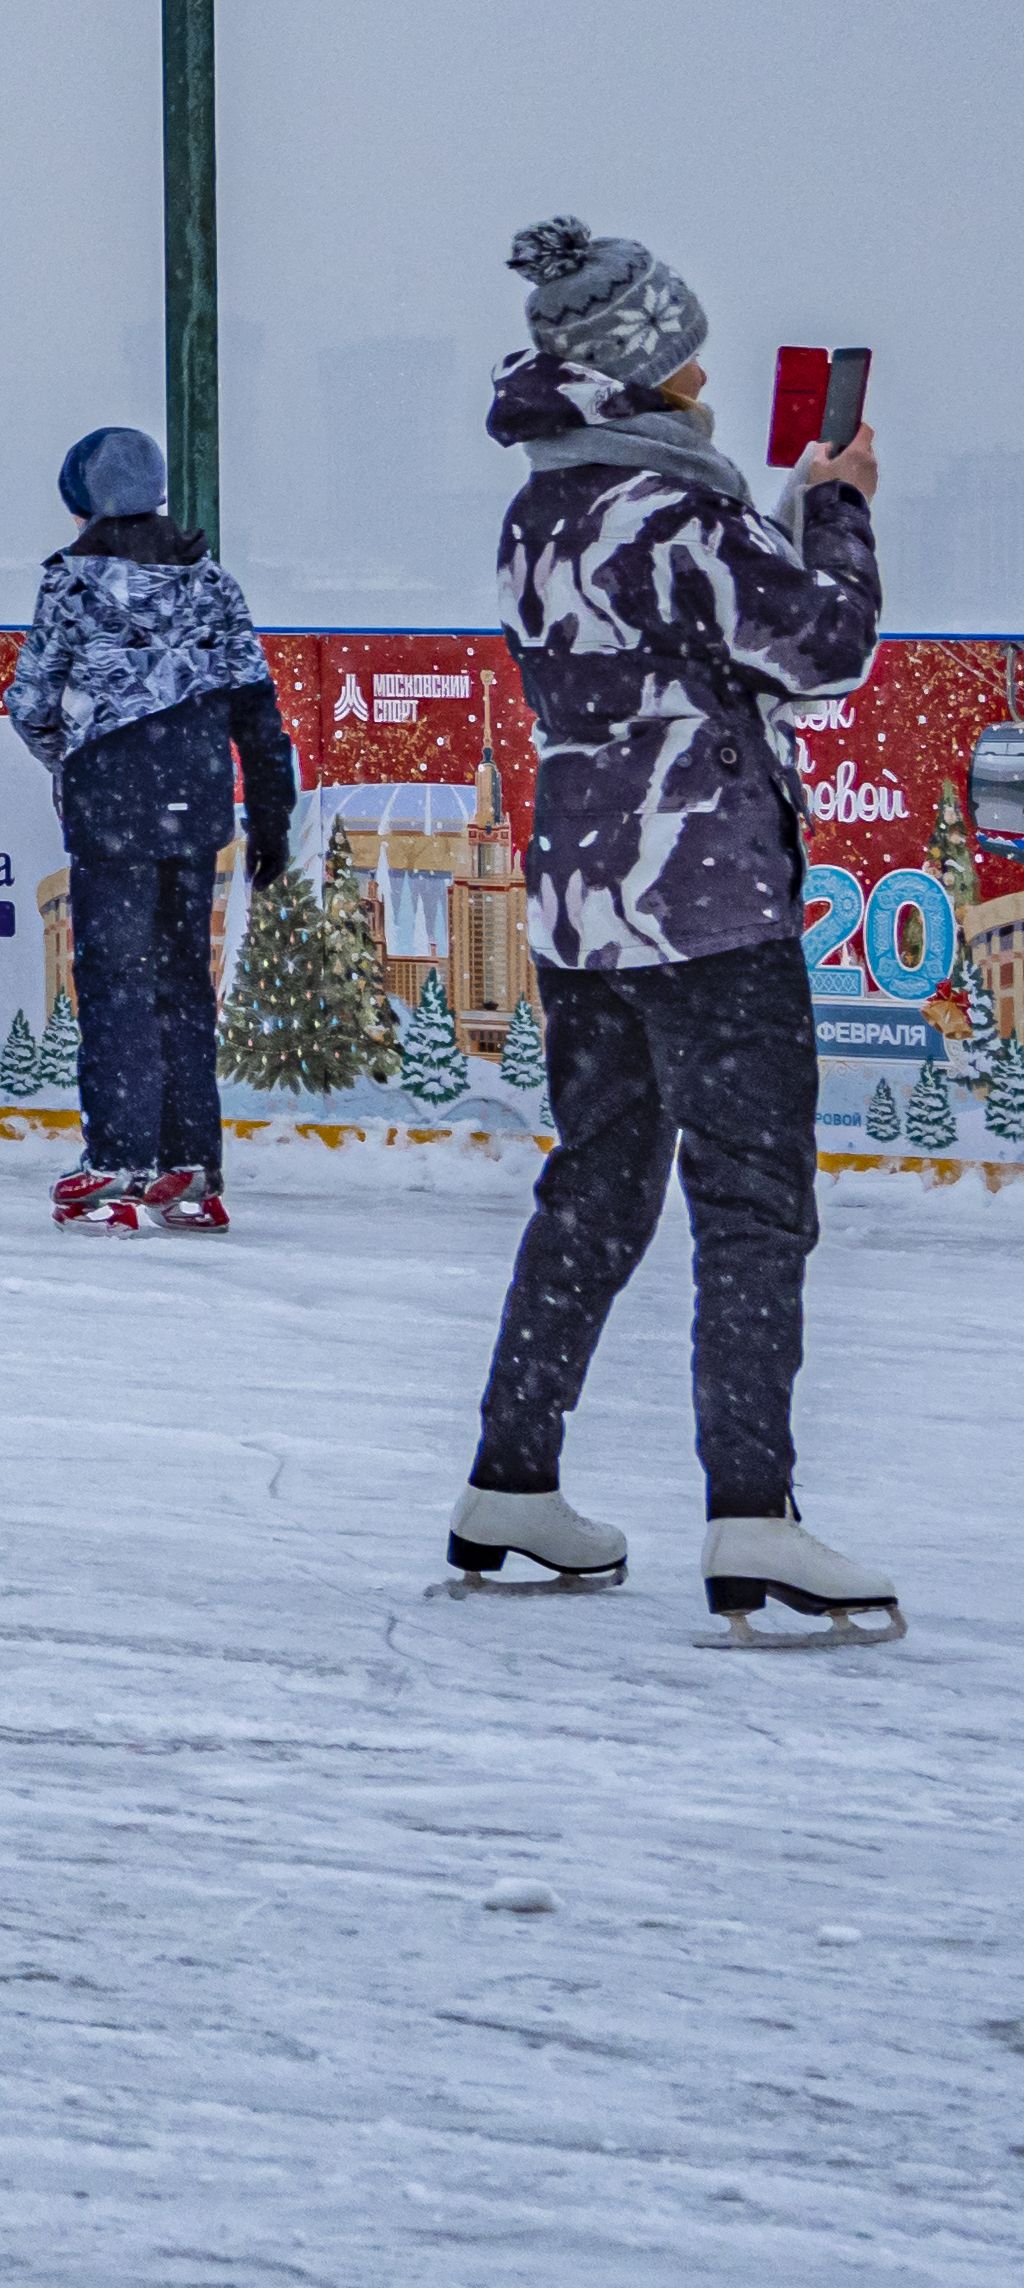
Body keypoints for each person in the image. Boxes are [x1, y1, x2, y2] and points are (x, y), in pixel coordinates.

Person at [449, 219, 898, 1641]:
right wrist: (835, 505)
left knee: (596, 1189)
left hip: (588, 903)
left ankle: (511, 1481)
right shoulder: (676, 516)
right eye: (688, 350)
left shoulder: (546, 509)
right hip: (707, 901)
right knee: (754, 1204)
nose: (706, 372)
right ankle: (753, 1516)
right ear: (650, 369)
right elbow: (824, 650)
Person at [0, 425, 294, 1232]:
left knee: (116, 985)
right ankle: (191, 1166)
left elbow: (29, 702)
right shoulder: (213, 584)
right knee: (180, 984)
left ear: (84, 501)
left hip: (111, 809)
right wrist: (272, 813)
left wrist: (72, 759)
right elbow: (257, 710)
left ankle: (119, 1162)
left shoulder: (72, 586)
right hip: (196, 804)